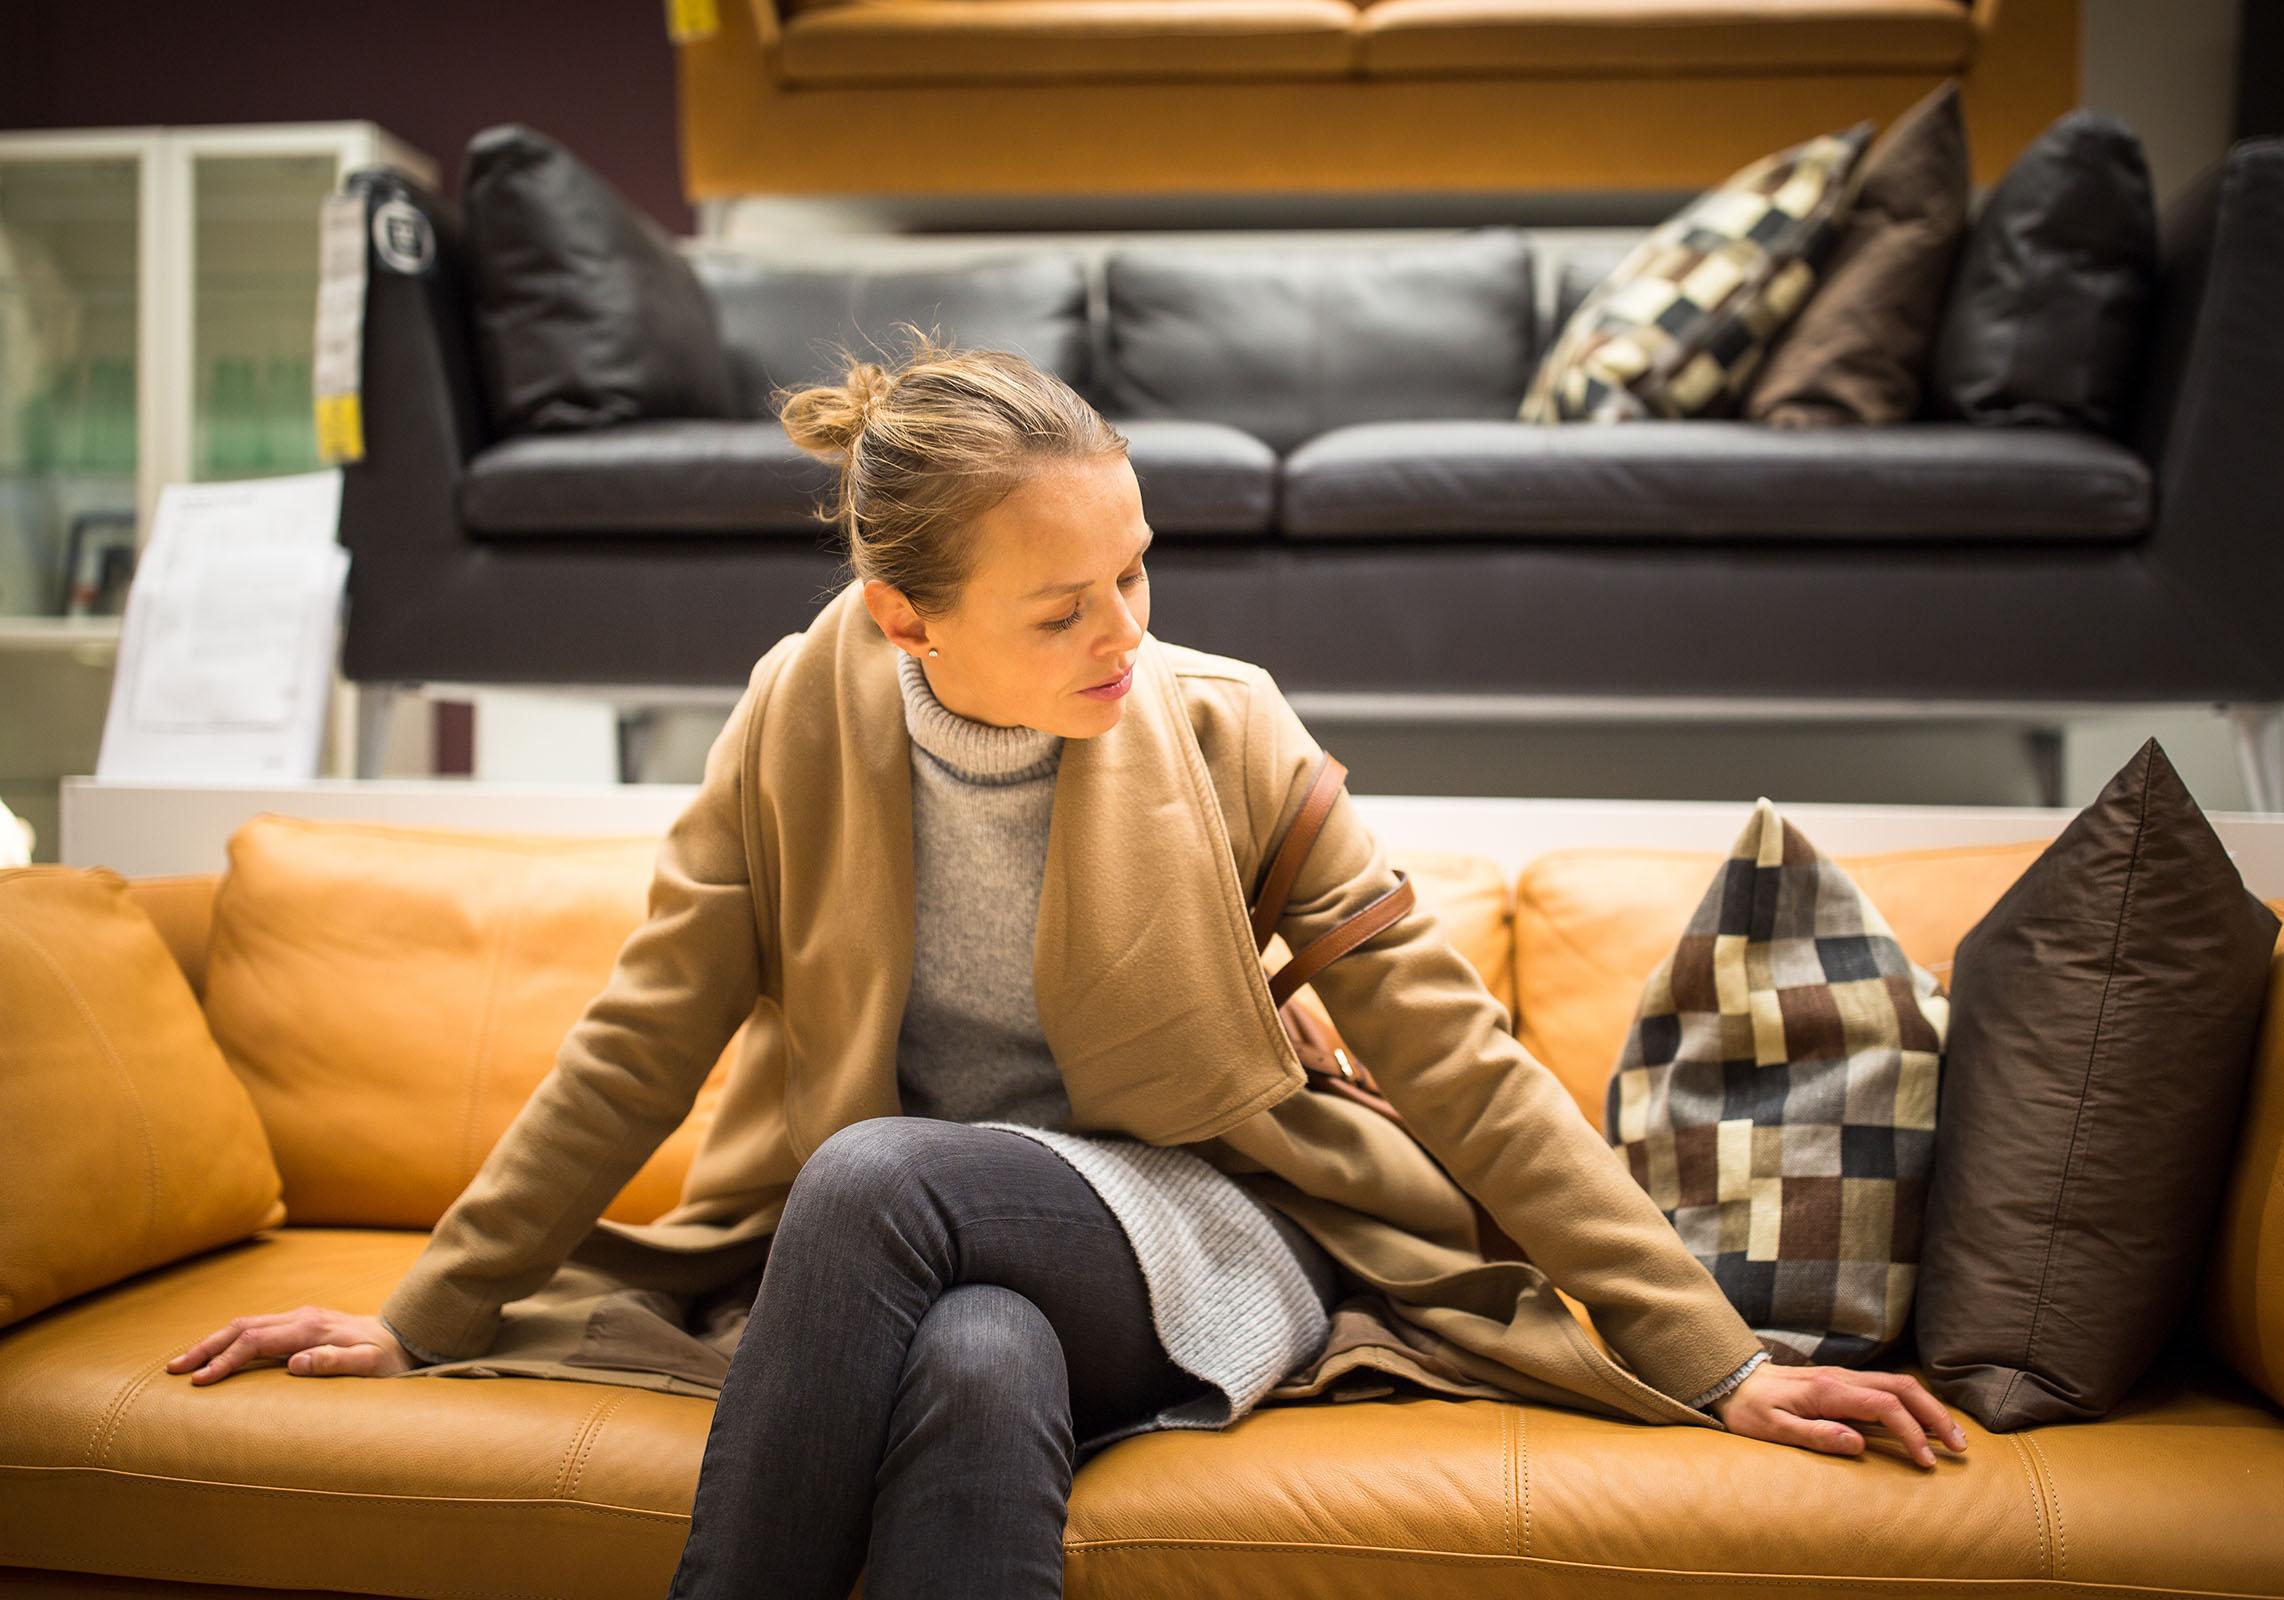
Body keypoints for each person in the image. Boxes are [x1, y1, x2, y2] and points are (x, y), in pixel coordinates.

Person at [165, 324, 1968, 1598]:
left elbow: (1456, 1061)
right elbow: (639, 1041)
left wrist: (1715, 1359)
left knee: (870, 1182)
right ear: (904, 618)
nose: (1126, 636)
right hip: (928, 1258)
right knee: (970, 1367)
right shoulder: (800, 714)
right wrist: (419, 1318)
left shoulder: (1228, 727)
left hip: (1199, 1223)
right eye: (1062, 607)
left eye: (1138, 575)